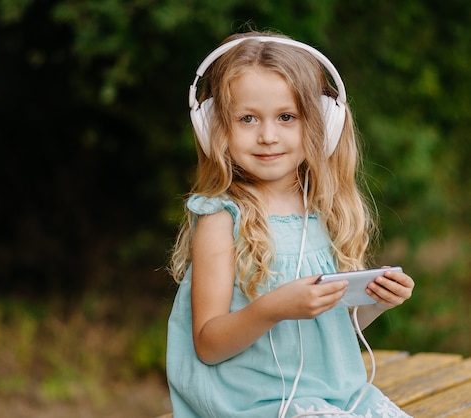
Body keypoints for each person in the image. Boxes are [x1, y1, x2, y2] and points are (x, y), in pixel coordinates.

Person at [166, 31, 415, 418]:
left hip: (334, 396)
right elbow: (208, 344)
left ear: (324, 124)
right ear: (214, 127)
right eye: (247, 119)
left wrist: (374, 303)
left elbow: (335, 329)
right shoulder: (221, 218)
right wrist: (273, 308)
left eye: (286, 117)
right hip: (254, 403)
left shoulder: (325, 210)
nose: (268, 136)